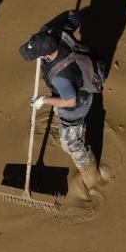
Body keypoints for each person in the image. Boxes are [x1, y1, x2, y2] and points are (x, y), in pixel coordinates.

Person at [19, 11, 106, 192]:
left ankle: (93, 177)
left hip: (77, 104)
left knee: (70, 144)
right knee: (59, 110)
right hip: (78, 79)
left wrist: (44, 100)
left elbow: (70, 101)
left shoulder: (60, 77)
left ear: (46, 55)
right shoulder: (58, 34)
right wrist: (44, 30)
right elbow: (73, 16)